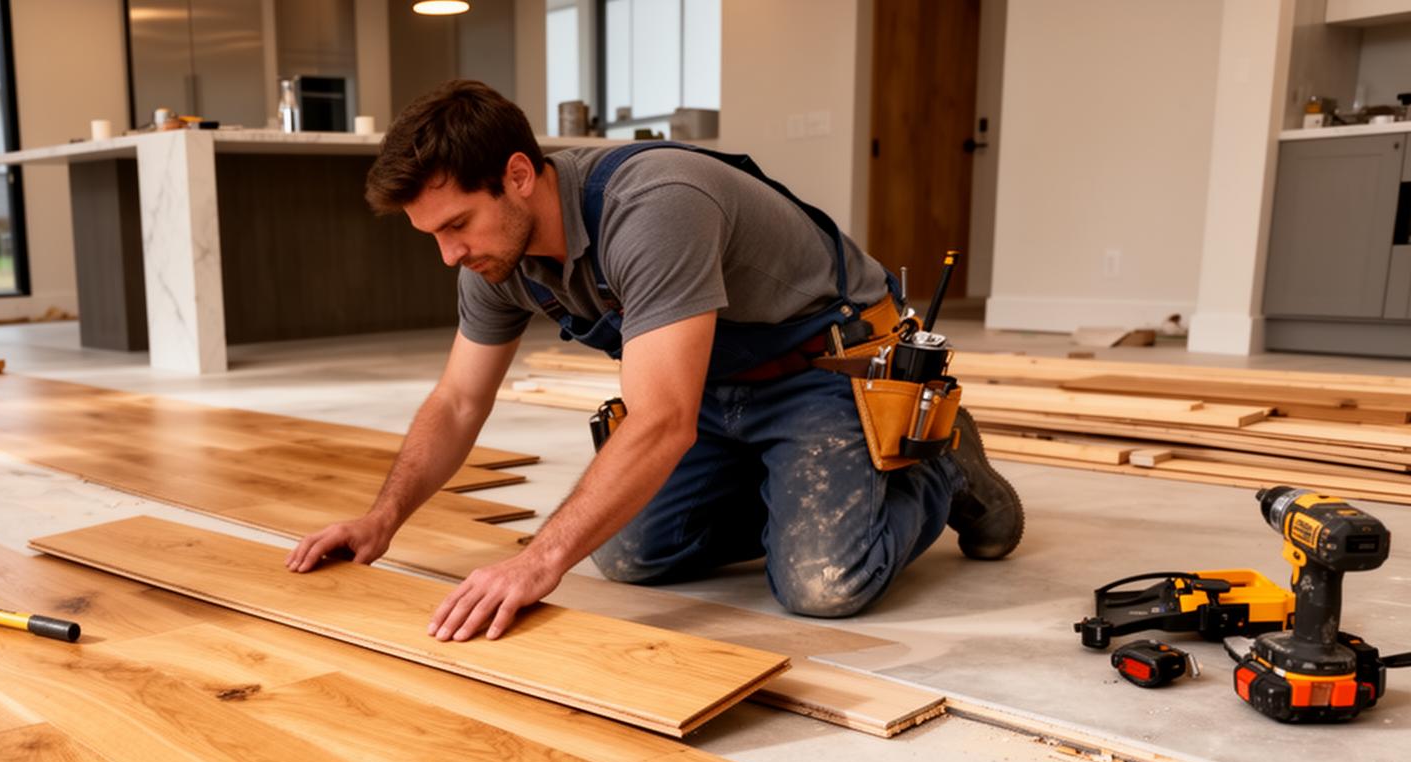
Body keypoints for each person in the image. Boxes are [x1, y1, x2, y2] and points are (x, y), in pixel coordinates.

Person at [286, 80, 1022, 641]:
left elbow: (663, 420)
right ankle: (788, 487)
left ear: (517, 175)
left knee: (823, 585)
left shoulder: (654, 206)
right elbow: (457, 401)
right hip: (714, 388)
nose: (450, 254)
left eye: (457, 226)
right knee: (629, 555)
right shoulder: (495, 260)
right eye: (433, 237)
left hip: (822, 370)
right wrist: (383, 518)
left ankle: (940, 464)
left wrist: (537, 561)